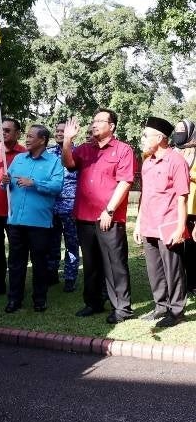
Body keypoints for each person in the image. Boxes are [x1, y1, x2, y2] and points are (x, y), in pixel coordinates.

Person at [62, 109, 136, 324]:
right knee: (91, 263)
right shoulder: (85, 149)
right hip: (84, 216)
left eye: (99, 121)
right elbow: (68, 163)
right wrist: (68, 140)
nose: (94, 125)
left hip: (108, 217)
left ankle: (122, 308)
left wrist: (110, 210)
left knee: (115, 264)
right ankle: (93, 302)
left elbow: (125, 182)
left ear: (111, 126)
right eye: (93, 121)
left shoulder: (123, 150)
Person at [1, 125, 65, 312]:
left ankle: (39, 299)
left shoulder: (54, 162)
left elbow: (57, 187)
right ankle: (14, 300)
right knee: (15, 263)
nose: (26, 139)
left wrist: (34, 183)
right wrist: (3, 182)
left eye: (30, 136)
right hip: (16, 222)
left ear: (42, 140)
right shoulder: (19, 159)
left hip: (39, 223)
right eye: (26, 136)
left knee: (40, 263)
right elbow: (6, 184)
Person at [134, 116, 189, 327]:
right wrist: (138, 223)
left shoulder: (176, 161)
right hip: (148, 223)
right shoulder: (147, 162)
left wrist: (180, 227)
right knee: (154, 269)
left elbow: (182, 197)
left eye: (146, 135)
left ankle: (176, 312)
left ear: (160, 137)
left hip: (168, 225)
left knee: (172, 270)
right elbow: (145, 196)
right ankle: (161, 307)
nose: (143, 138)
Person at [0, 118, 27, 295]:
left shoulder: (24, 153)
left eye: (8, 130)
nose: (3, 133)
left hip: (15, 209)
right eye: (1, 130)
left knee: (17, 249)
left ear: (18, 133)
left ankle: (17, 286)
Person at [47, 122, 80, 292]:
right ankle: (51, 273)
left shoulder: (79, 152)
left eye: (63, 131)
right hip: (51, 207)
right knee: (51, 243)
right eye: (57, 131)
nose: (60, 133)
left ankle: (70, 277)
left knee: (71, 244)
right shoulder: (48, 152)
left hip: (71, 206)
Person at [172, 118, 196, 301]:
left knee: (193, 250)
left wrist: (187, 175)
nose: (179, 132)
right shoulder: (172, 152)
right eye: (177, 129)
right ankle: (179, 285)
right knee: (178, 249)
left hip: (193, 208)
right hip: (176, 208)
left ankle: (193, 285)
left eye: (183, 129)